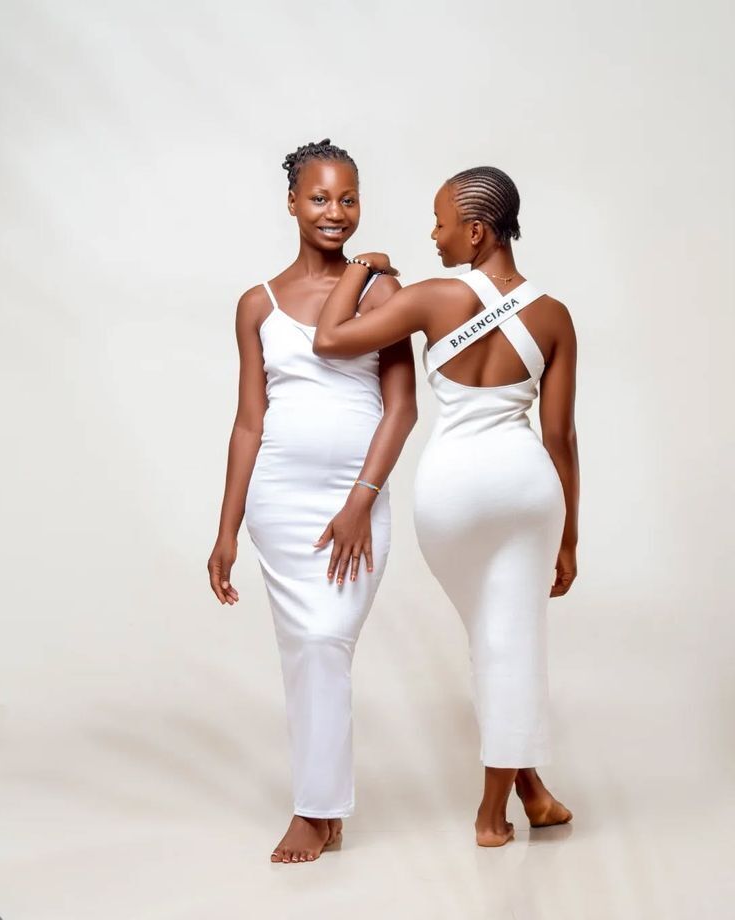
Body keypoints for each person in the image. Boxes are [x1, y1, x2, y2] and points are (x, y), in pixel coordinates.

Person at [313, 166, 578, 847]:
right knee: (507, 638)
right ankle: (523, 796)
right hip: (527, 490)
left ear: (477, 231)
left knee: (496, 637)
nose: (434, 235)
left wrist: (362, 268)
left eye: (441, 222)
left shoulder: (433, 298)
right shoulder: (553, 315)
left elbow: (330, 338)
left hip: (453, 491)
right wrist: (570, 536)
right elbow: (559, 438)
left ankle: (501, 810)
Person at [207, 140, 417, 863]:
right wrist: (227, 528)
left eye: (348, 198)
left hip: (354, 499)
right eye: (320, 197)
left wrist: (361, 501)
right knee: (304, 650)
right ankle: (319, 810)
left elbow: (402, 409)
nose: (336, 212)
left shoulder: (382, 293)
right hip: (279, 502)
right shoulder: (256, 305)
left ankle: (317, 808)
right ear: (293, 203)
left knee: (326, 639)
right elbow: (248, 422)